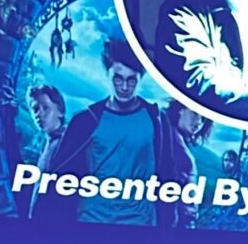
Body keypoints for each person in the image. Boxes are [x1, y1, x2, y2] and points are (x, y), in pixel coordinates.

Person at [48, 36, 192, 227]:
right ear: (107, 74)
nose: (124, 87)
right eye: (118, 78)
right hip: (92, 222)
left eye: (131, 80)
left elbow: (167, 174)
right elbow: (60, 176)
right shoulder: (86, 120)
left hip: (141, 225)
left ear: (140, 78)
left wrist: (167, 223)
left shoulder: (156, 120)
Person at [21, 84, 66, 219]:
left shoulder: (66, 143)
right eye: (35, 109)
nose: (39, 114)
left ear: (60, 111)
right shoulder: (46, 142)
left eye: (46, 108)